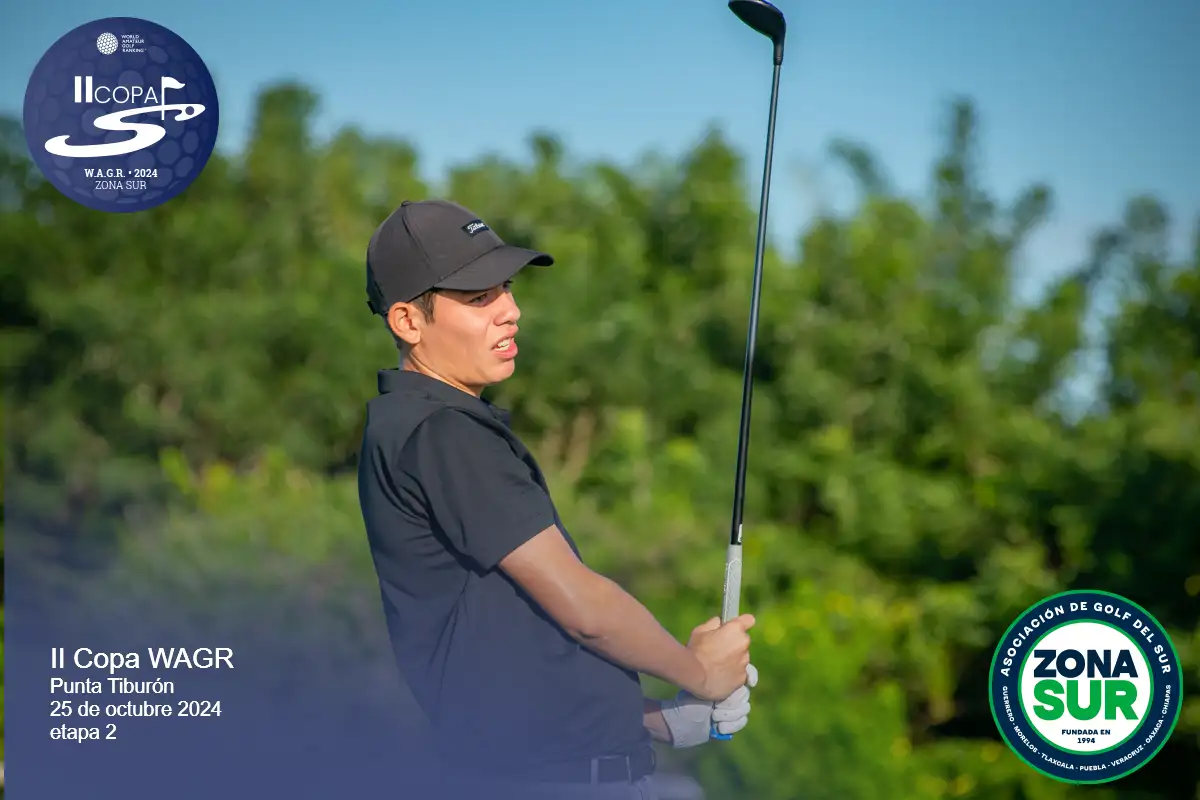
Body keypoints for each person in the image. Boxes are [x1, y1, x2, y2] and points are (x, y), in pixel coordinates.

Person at [356, 199, 759, 799]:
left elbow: (509, 651)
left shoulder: (424, 427)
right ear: (408, 322)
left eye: (506, 289)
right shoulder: (443, 432)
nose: (511, 311)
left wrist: (660, 720)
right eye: (479, 297)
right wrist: (699, 671)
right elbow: (583, 608)